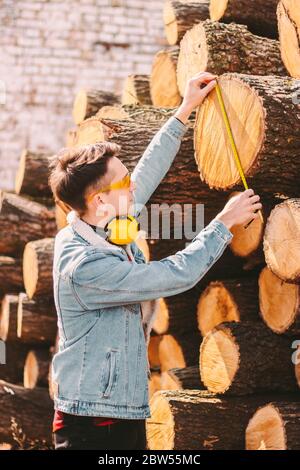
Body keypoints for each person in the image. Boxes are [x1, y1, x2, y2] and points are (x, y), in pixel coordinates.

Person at [48, 72, 262, 450]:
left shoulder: (104, 221)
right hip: (91, 426)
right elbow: (173, 276)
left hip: (122, 411)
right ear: (99, 201)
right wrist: (223, 224)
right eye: (123, 182)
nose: (132, 186)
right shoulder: (84, 265)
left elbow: (145, 175)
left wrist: (184, 110)